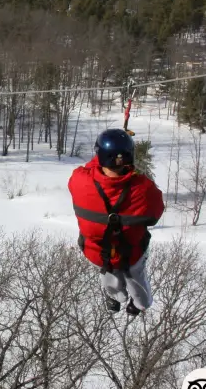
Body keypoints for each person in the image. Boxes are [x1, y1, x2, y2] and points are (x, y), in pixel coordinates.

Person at [68, 128, 164, 316]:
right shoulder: (143, 189)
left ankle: (116, 297)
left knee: (108, 272)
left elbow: (91, 167)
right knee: (136, 278)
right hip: (131, 253)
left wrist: (108, 153)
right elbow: (155, 214)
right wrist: (125, 156)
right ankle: (140, 304)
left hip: (96, 251)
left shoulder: (79, 180)